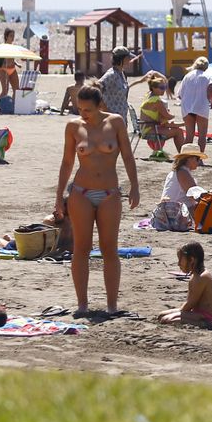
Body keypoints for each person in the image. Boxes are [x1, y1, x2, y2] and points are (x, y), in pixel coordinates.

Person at [55, 83, 141, 316]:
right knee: (81, 248)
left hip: (109, 193)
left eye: (88, 110)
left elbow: (127, 156)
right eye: (80, 109)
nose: (83, 113)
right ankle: (82, 304)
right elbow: (67, 163)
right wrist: (59, 197)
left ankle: (112, 305)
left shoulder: (115, 122)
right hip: (80, 192)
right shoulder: (74, 127)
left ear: (100, 105)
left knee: (109, 249)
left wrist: (134, 186)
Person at [159, 241, 212, 328]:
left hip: (204, 317)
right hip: (196, 313)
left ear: (191, 259)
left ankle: (204, 324)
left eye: (180, 260)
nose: (178, 264)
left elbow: (189, 304)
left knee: (166, 319)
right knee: (161, 315)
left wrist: (177, 313)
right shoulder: (196, 275)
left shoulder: (201, 277)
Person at [138, 73, 186, 158]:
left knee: (175, 128)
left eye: (165, 87)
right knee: (178, 132)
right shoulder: (156, 100)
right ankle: (183, 156)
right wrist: (172, 115)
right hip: (150, 130)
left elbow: (164, 120)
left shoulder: (149, 96)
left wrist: (183, 123)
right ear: (153, 88)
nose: (164, 90)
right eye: (162, 88)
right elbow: (168, 116)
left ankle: (183, 155)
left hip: (146, 128)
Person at [178, 56, 212, 151]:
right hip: (201, 107)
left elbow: (180, 95)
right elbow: (210, 92)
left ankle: (184, 156)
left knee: (189, 136)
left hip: (187, 107)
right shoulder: (207, 77)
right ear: (206, 67)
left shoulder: (187, 76)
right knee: (202, 136)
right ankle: (199, 157)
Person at [0, 28, 21, 98]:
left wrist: (16, 64)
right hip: (3, 70)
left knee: (17, 90)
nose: (12, 38)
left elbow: (11, 59)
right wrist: (4, 62)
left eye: (13, 36)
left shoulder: (13, 47)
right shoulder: (2, 47)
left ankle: (13, 104)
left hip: (12, 69)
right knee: (5, 90)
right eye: (11, 36)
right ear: (6, 37)